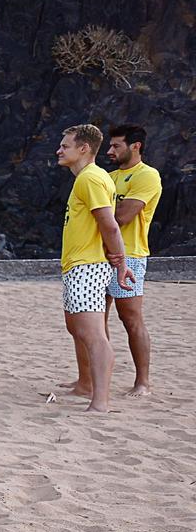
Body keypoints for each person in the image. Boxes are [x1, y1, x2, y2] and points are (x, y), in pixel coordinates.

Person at [53, 124, 134, 413]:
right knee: (76, 327)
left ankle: (100, 401)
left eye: (65, 146)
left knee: (93, 334)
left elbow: (110, 224)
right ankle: (85, 384)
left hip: (88, 266)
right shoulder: (87, 179)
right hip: (78, 265)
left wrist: (121, 262)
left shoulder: (90, 178)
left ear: (83, 148)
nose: (59, 150)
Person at [103, 123, 160, 397]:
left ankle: (143, 382)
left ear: (135, 146)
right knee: (94, 318)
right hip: (98, 255)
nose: (110, 150)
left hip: (131, 255)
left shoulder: (147, 176)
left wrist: (100, 212)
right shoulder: (107, 177)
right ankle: (94, 378)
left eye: (117, 145)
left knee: (131, 318)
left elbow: (122, 217)